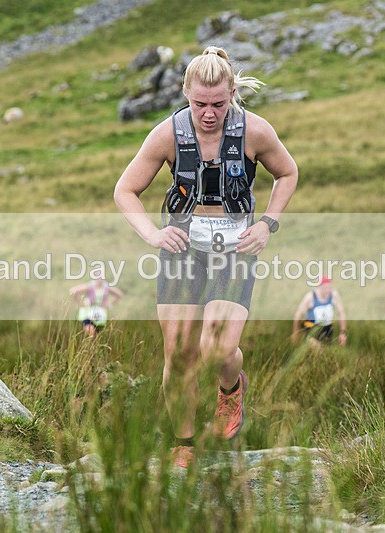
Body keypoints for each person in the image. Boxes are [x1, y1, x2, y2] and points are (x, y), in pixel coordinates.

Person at [114, 46, 298, 467]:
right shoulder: (167, 134)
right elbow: (125, 190)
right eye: (200, 104)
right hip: (182, 247)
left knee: (216, 348)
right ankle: (184, 443)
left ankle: (231, 389)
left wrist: (267, 224)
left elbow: (288, 173)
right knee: (180, 353)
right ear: (186, 94)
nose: (209, 113)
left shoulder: (255, 131)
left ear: (232, 93)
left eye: (218, 104)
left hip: (235, 248)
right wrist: (152, 234)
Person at [292, 277, 347, 348]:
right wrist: (296, 332)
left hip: (326, 330)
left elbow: (341, 313)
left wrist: (342, 333)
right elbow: (298, 315)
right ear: (319, 287)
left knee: (326, 352)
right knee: (317, 348)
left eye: (329, 288)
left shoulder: (334, 295)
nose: (327, 291)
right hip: (311, 329)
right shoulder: (310, 297)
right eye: (325, 288)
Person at [69, 269, 124, 338]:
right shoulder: (90, 286)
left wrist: (109, 304)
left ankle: (91, 343)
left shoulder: (106, 287)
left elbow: (119, 295)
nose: (100, 278)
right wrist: (81, 303)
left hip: (100, 313)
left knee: (96, 335)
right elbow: (73, 291)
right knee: (90, 331)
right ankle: (88, 341)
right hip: (88, 312)